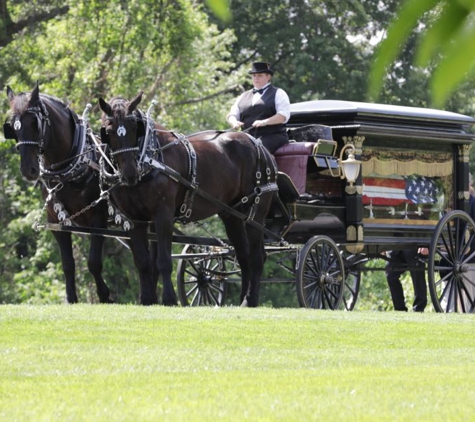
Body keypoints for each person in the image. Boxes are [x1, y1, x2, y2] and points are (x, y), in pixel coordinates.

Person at [227, 62, 290, 153]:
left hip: (273, 136)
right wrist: (234, 122)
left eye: (260, 75)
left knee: (255, 148)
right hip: (247, 137)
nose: (256, 78)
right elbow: (232, 114)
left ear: (268, 77)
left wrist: (265, 122)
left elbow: (283, 116)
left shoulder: (279, 93)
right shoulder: (243, 96)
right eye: (254, 75)